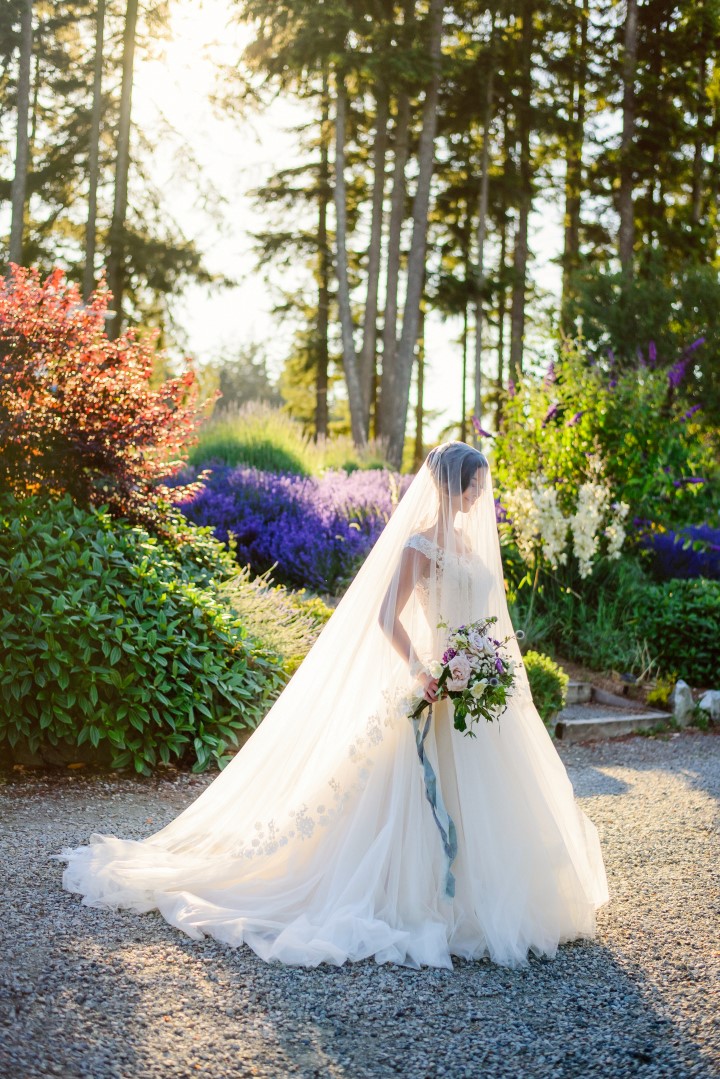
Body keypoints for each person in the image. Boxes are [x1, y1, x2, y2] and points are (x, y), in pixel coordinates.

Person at [58, 441, 609, 970]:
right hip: (435, 680)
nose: (479, 495)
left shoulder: (470, 544)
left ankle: (488, 896)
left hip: (478, 684)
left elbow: (484, 619)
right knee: (401, 795)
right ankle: (419, 894)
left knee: (494, 795)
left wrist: (487, 664)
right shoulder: (421, 544)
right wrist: (422, 668)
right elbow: (386, 617)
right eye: (474, 485)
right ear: (451, 486)